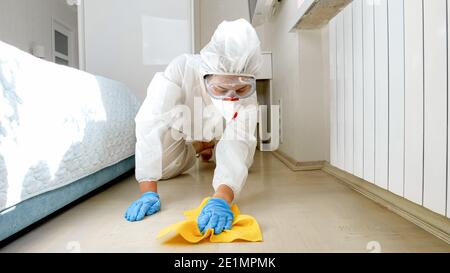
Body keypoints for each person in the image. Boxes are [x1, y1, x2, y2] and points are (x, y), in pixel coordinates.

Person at [124, 19, 262, 235]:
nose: (231, 97)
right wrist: (147, 190)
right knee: (166, 169)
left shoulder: (248, 99)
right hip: (183, 128)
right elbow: (151, 121)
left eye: (241, 88)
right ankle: (200, 146)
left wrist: (222, 198)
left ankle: (212, 143)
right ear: (206, 74)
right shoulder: (182, 69)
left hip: (223, 131)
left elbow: (239, 142)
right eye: (221, 88)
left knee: (244, 163)